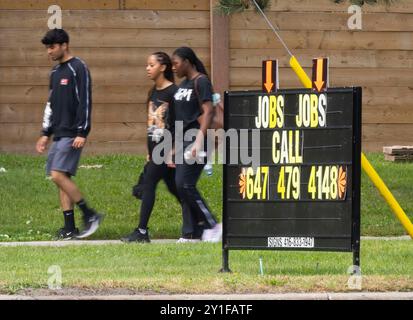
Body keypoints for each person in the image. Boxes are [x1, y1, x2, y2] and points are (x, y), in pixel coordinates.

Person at [36, 28, 103, 240]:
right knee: (60, 178)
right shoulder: (55, 73)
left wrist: (82, 131)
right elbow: (51, 104)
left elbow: (85, 100)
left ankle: (90, 214)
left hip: (73, 133)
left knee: (57, 174)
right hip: (58, 133)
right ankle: (69, 227)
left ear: (64, 45)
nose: (49, 51)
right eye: (47, 48)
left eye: (52, 47)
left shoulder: (78, 68)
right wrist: (46, 133)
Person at [121, 52, 182, 243]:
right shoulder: (153, 92)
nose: (147, 68)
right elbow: (151, 125)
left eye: (151, 65)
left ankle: (142, 231)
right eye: (147, 65)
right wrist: (148, 151)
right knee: (176, 189)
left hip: (166, 150)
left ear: (163, 67)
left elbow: (180, 124)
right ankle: (200, 223)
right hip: (155, 150)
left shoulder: (174, 93)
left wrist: (173, 150)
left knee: (148, 186)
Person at [171, 47, 222, 242]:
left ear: (187, 61)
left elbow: (208, 112)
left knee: (186, 184)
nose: (174, 68)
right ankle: (190, 232)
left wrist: (199, 141)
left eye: (176, 63)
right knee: (181, 186)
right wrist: (175, 145)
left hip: (197, 139)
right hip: (183, 140)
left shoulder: (201, 81)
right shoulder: (184, 84)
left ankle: (213, 225)